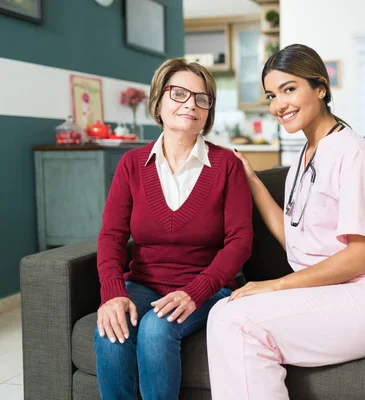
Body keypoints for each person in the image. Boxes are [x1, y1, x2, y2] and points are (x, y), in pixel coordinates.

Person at [206, 44, 365, 399]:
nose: (279, 105)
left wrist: (274, 285)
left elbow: (362, 257)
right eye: (271, 96)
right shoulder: (305, 156)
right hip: (338, 290)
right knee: (224, 312)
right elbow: (294, 239)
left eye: (289, 89)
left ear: (320, 87)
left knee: (236, 321)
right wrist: (252, 180)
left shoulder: (353, 153)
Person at [94, 58, 253, 399]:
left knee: (155, 328)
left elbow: (240, 242)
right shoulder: (131, 164)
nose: (190, 105)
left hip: (209, 288)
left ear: (208, 111)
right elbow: (111, 236)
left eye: (201, 98)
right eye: (179, 93)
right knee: (110, 330)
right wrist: (112, 292)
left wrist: (196, 291)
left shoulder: (227, 166)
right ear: (158, 101)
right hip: (143, 283)